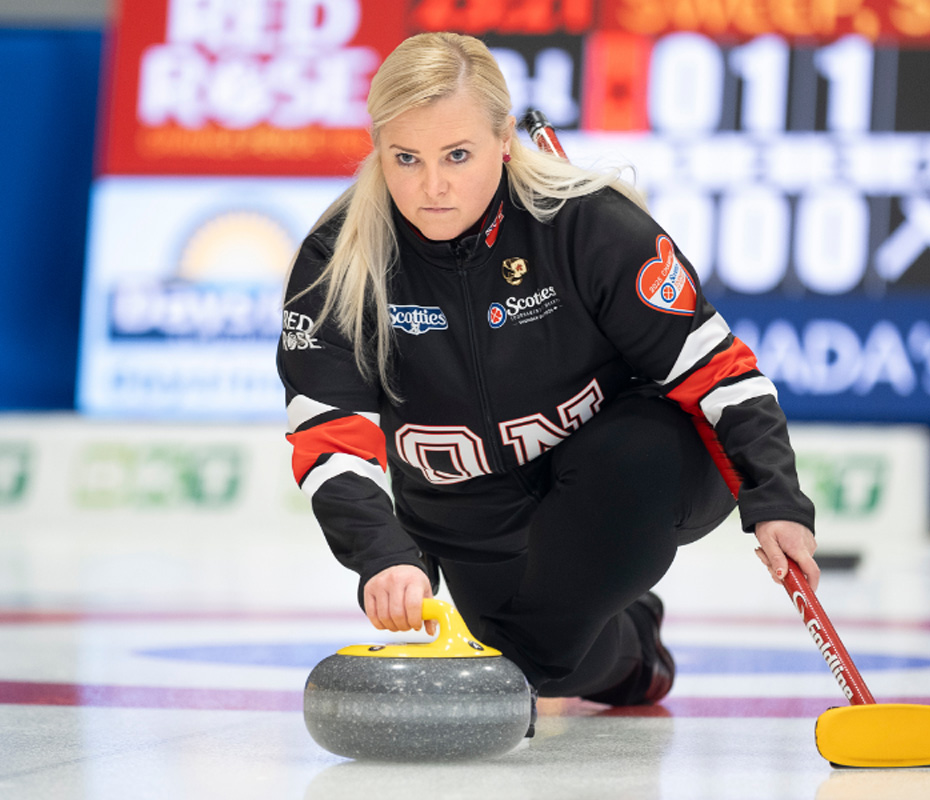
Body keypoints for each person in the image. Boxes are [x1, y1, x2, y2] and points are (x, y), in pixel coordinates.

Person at [278, 31, 819, 719]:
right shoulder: (337, 263)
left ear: (505, 140)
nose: (431, 185)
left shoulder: (591, 226)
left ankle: (517, 671)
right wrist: (384, 555)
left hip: (633, 479)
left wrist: (776, 498)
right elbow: (329, 436)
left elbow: (719, 373)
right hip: (469, 512)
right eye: (405, 158)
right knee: (561, 657)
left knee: (633, 458)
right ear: (377, 143)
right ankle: (628, 654)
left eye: (458, 155)